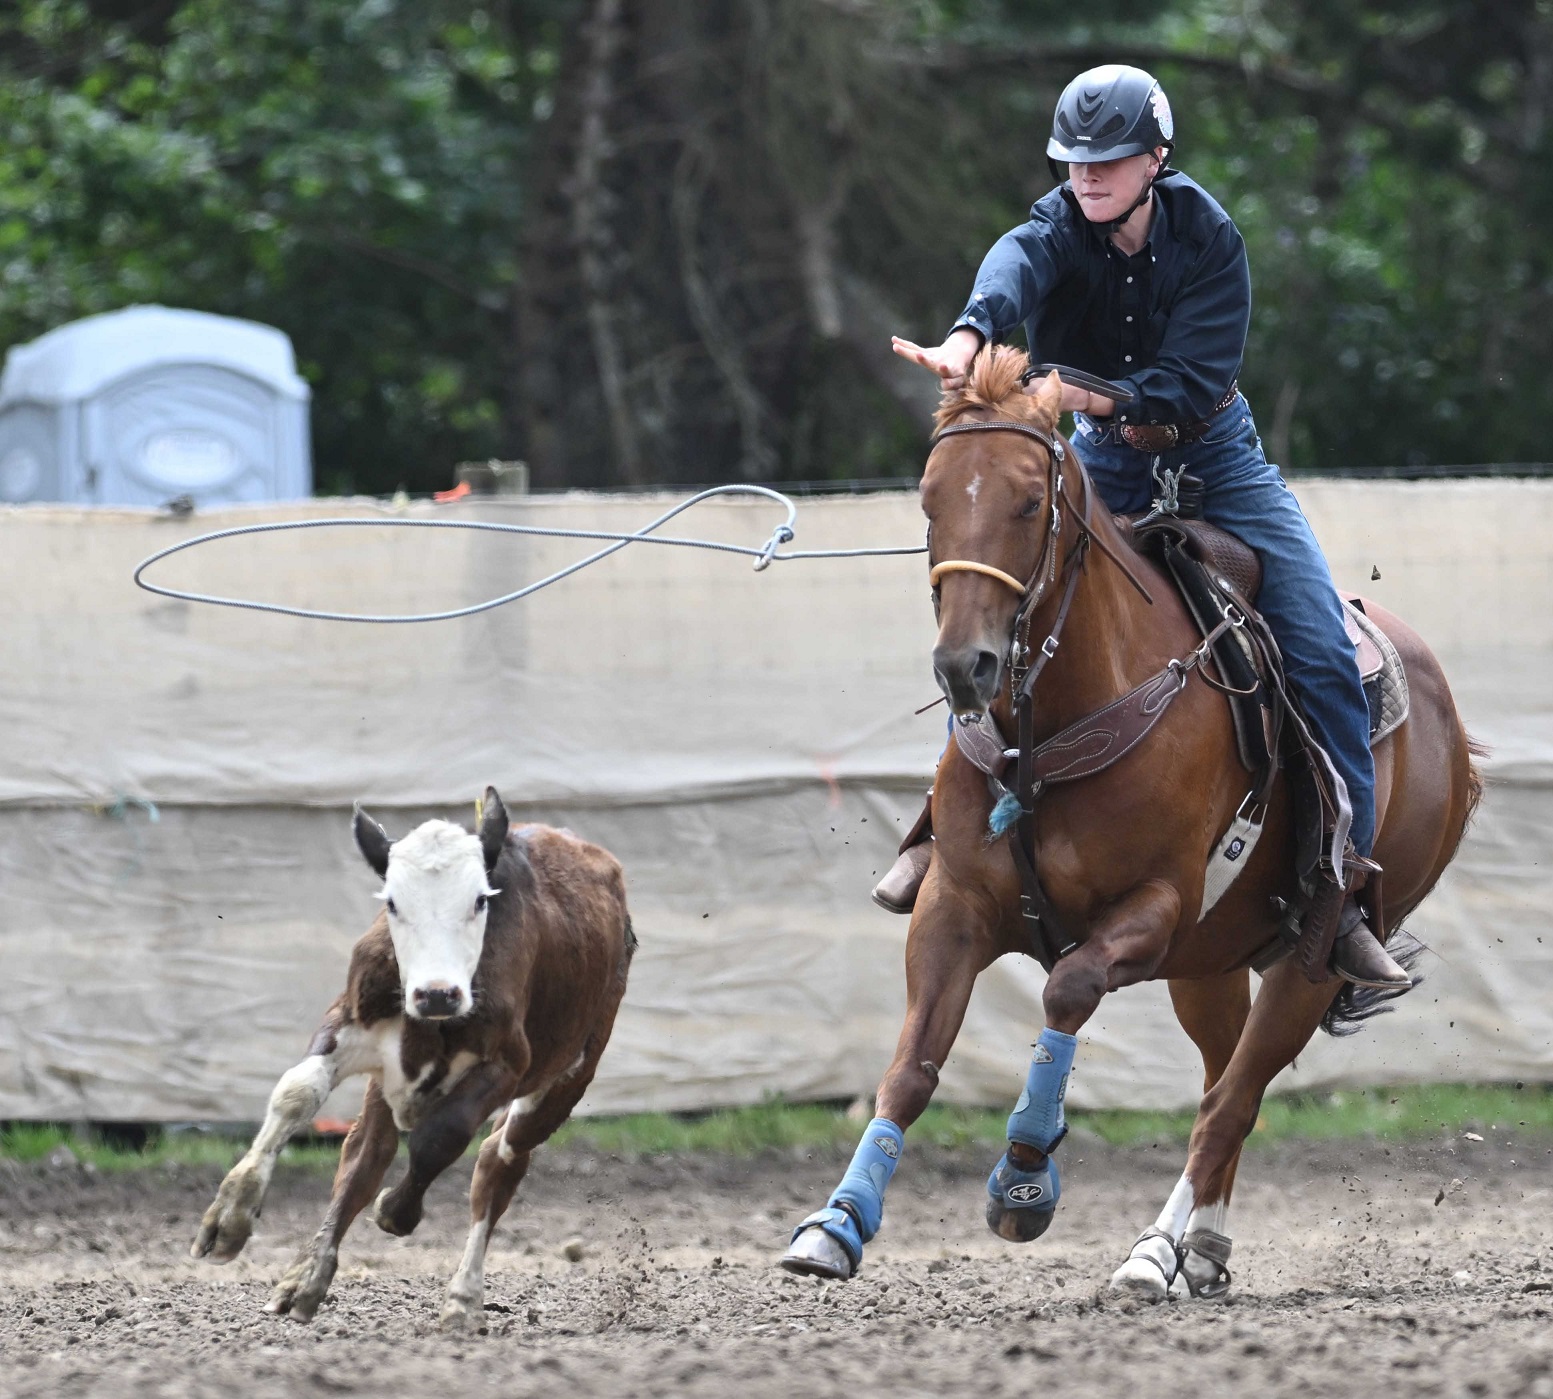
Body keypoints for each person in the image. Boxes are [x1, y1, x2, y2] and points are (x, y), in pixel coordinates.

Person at [875, 63, 1406, 989]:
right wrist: (965, 339)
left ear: (1155, 160)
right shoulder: (1054, 228)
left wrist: (1079, 389)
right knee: (1004, 614)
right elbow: (1012, 265)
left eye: (1107, 163)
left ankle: (1341, 892)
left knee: (1322, 651)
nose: (1086, 178)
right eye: (1074, 163)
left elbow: (1188, 384)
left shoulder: (1210, 238)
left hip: (1217, 466)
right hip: (1104, 470)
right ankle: (940, 837)